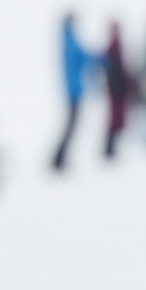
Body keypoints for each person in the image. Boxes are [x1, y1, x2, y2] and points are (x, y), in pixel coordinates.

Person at [51, 12, 94, 172]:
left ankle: (59, 159)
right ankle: (58, 160)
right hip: (74, 91)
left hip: (73, 90)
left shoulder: (66, 38)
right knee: (71, 126)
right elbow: (83, 56)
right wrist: (103, 57)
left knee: (71, 126)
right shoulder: (70, 40)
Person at [102, 20, 132, 159]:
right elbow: (115, 69)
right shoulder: (114, 46)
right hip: (116, 88)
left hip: (116, 88)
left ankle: (110, 149)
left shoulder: (115, 44)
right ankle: (109, 150)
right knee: (115, 119)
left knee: (116, 119)